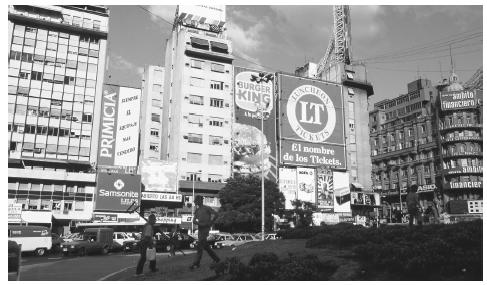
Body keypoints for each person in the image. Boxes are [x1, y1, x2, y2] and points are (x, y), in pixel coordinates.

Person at [190, 195, 220, 269]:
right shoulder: (197, 210)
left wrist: (211, 222)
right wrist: (199, 224)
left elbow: (216, 214)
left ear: (200, 200)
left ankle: (196, 263)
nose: (196, 202)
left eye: (197, 200)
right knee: (205, 246)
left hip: (206, 228)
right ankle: (216, 259)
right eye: (195, 201)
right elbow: (194, 221)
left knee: (200, 246)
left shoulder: (207, 208)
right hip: (200, 228)